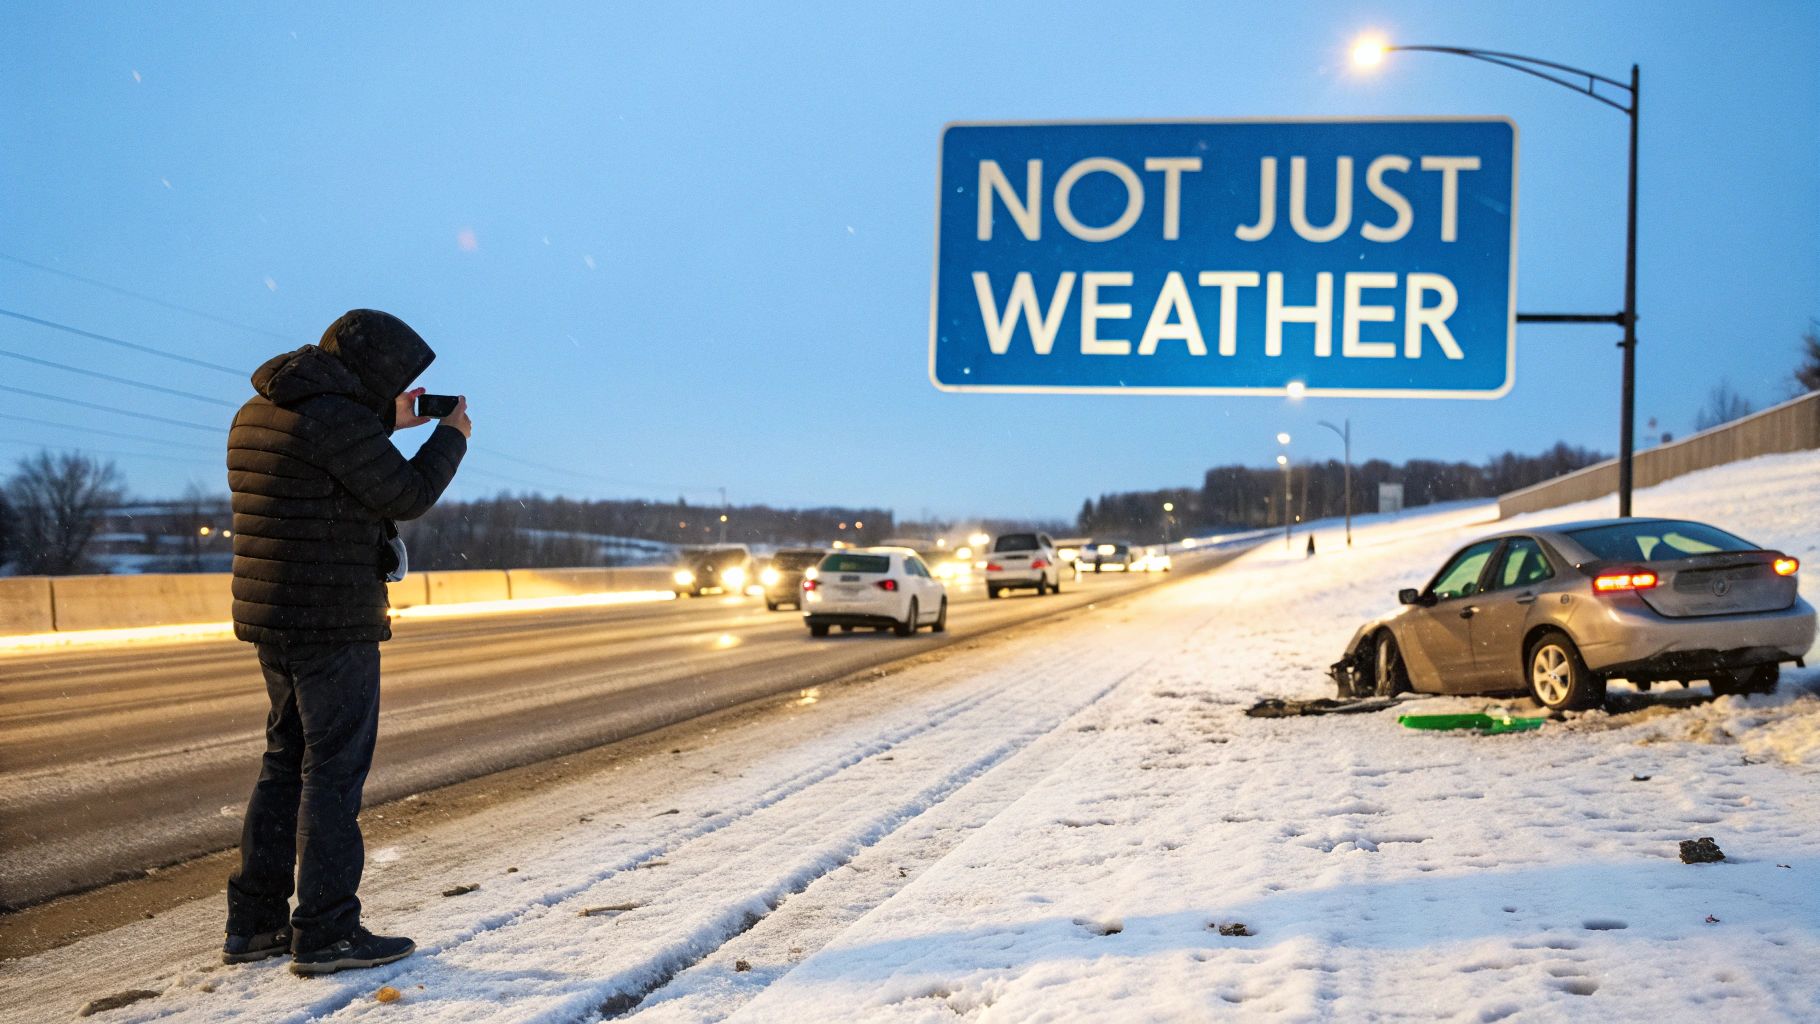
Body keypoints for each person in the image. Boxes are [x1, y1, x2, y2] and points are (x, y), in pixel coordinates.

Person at [221, 309, 470, 975]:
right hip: (332, 618)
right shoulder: (337, 419)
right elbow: (406, 493)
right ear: (373, 371)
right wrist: (450, 437)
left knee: (285, 762)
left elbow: (324, 466)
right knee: (332, 772)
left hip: (273, 614)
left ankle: (255, 923)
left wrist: (388, 420)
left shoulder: (262, 410)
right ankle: (327, 930)